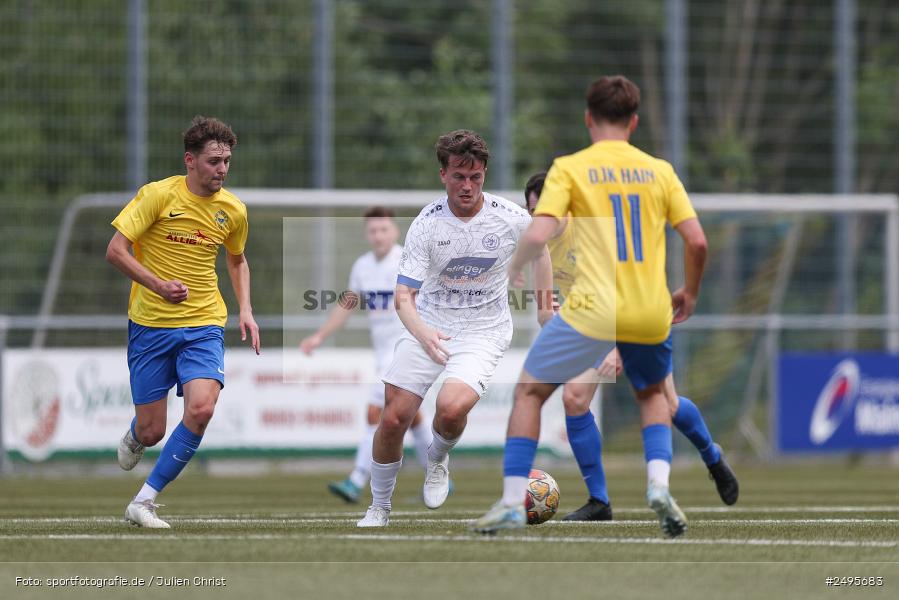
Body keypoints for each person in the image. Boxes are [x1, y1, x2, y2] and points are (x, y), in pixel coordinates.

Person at [473, 75, 708, 538]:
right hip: (650, 307)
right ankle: (658, 486)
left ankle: (511, 503)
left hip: (594, 309)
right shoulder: (660, 171)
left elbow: (539, 233)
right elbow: (697, 242)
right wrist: (691, 292)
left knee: (529, 393)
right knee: (653, 398)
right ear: (634, 122)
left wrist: (514, 266)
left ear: (588, 118)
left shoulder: (571, 168)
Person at [357, 129, 553, 527]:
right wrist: (423, 333)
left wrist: (545, 310)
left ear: (484, 175)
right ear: (443, 174)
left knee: (450, 409)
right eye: (459, 176)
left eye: (475, 177)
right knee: (393, 418)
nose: (467, 185)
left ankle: (437, 457)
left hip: (484, 330)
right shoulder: (426, 225)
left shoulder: (510, 217)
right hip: (428, 325)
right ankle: (379, 507)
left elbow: (541, 250)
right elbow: (403, 296)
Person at [521, 172, 738, 522]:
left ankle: (712, 456)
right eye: (535, 212)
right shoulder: (538, 245)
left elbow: (629, 296)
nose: (543, 218)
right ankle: (600, 502)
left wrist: (618, 348)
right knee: (574, 399)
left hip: (638, 315)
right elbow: (546, 312)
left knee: (667, 404)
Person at [106, 116, 260, 528]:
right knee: (152, 431)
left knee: (203, 408)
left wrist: (245, 308)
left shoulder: (233, 210)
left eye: (227, 161)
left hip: (205, 323)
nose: (222, 169)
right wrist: (158, 285)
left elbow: (237, 259)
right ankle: (137, 434)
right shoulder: (157, 196)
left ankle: (144, 501)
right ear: (190, 160)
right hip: (151, 325)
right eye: (214, 161)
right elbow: (116, 250)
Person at [299, 207, 435, 503]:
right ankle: (437, 477)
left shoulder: (406, 260)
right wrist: (320, 336)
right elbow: (346, 305)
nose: (378, 235)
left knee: (375, 412)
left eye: (383, 229)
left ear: (394, 231)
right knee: (412, 416)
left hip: (405, 348)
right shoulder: (362, 266)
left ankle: (356, 479)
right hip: (382, 352)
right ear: (366, 234)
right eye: (373, 230)